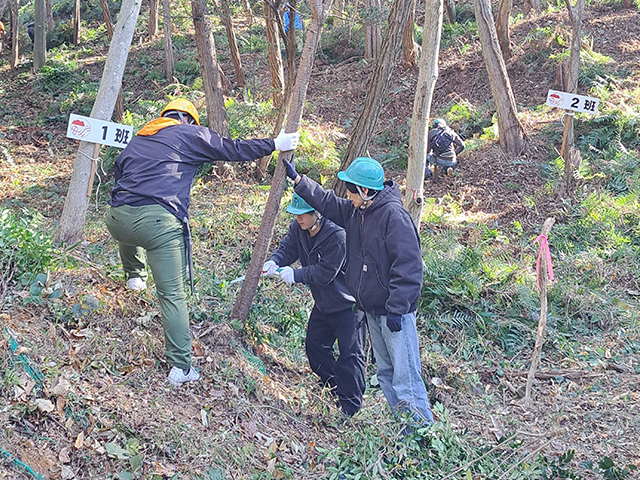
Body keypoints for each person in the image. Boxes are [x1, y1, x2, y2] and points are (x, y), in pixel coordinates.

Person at [105, 99, 299, 387]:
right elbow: (231, 149)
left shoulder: (140, 137)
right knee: (172, 295)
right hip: (158, 224)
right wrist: (274, 143)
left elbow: (120, 176)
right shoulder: (190, 133)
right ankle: (181, 368)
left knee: (129, 215)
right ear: (188, 120)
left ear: (165, 117)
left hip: (116, 220)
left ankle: (134, 275)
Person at [282, 156, 434, 426]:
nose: (348, 195)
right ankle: (403, 429)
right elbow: (327, 202)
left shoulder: (393, 217)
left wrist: (398, 309)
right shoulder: (356, 212)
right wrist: (299, 181)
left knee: (405, 375)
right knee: (386, 372)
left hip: (394, 313)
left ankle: (420, 433)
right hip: (371, 308)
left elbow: (409, 267)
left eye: (351, 190)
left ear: (365, 191)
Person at [263, 193, 367, 416]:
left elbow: (326, 272)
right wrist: (274, 261)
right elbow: (288, 248)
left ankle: (351, 408)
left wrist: (297, 275)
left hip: (348, 306)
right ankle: (333, 387)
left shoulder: (337, 236)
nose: (299, 219)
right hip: (323, 304)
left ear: (317, 214)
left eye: (303, 215)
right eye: (296, 215)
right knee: (315, 347)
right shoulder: (298, 228)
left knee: (351, 355)